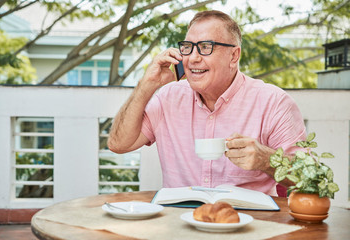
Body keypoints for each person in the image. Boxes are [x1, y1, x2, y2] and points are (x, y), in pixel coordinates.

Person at [108, 10, 306, 196]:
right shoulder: (167, 97)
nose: (193, 58)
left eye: (205, 48)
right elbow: (118, 144)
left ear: (233, 56)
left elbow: (308, 179)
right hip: (180, 224)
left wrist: (266, 160)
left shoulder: (274, 103)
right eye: (187, 48)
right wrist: (146, 85)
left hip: (248, 226)